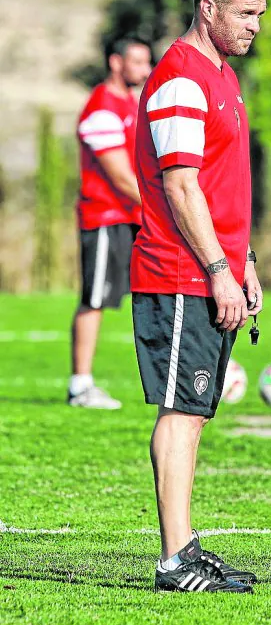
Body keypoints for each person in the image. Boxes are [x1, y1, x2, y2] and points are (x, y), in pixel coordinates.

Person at [132, 0, 266, 593]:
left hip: (210, 267)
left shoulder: (223, 76)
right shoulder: (182, 78)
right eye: (245, 13)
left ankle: (185, 547)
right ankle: (174, 560)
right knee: (181, 412)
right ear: (208, 9)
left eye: (260, 15)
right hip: (180, 270)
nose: (255, 26)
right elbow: (181, 187)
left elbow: (219, 185)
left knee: (195, 410)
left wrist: (244, 263)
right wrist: (217, 268)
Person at [68, 36, 152, 409]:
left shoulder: (131, 104)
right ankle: (80, 386)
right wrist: (164, 207)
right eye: (137, 62)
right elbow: (120, 176)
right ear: (116, 63)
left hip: (133, 216)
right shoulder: (102, 107)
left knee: (154, 293)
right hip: (105, 217)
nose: (145, 70)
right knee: (95, 299)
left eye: (147, 62)